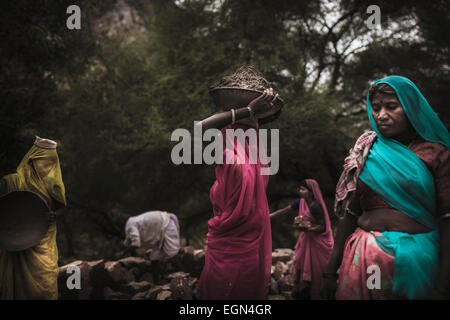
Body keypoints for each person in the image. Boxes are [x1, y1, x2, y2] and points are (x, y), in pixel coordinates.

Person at [321, 76, 450, 300]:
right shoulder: (366, 152)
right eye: (376, 108)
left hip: (415, 258)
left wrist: (442, 286)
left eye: (391, 107)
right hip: (363, 254)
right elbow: (351, 214)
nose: (381, 115)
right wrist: (330, 272)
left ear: (410, 107)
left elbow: (447, 220)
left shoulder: (437, 154)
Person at [196, 73, 280, 299]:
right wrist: (251, 113)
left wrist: (248, 111)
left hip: (229, 251)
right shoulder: (259, 163)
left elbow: (200, 128)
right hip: (248, 249)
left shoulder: (234, 160)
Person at [0, 136, 67, 299]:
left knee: (45, 287)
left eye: (51, 164)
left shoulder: (53, 187)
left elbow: (63, 208)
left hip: (43, 243)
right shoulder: (10, 182)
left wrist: (54, 215)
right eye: (45, 163)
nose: (48, 168)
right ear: (32, 160)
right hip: (14, 243)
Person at [270, 179, 333, 299]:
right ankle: (301, 291)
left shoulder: (315, 207)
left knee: (315, 269)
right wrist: (269, 216)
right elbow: (284, 211)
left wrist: (308, 229)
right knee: (299, 262)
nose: (300, 191)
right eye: (300, 189)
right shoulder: (300, 202)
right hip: (306, 240)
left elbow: (322, 226)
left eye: (303, 189)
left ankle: (315, 293)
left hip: (317, 242)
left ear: (311, 192)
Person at [123, 210, 180, 282]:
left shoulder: (130, 224)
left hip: (166, 224)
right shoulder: (131, 222)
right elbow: (128, 241)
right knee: (154, 258)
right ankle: (157, 283)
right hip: (160, 230)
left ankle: (185, 275)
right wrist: (125, 251)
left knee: (173, 254)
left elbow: (136, 243)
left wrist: (123, 253)